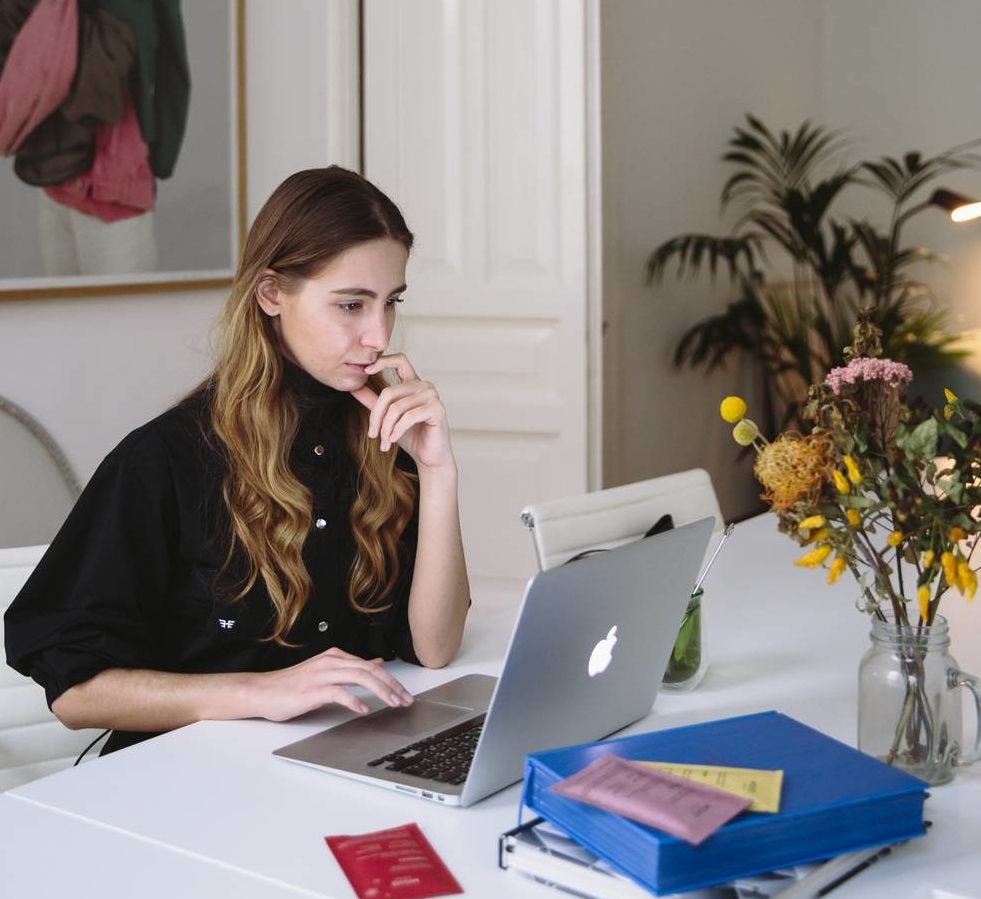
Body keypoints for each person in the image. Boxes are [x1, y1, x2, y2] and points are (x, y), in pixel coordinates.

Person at [4, 166, 471, 755]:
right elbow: (75, 694)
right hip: (185, 783)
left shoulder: (383, 437)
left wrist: (437, 471)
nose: (378, 336)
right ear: (272, 293)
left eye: (390, 303)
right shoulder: (165, 459)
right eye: (351, 305)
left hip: (341, 756)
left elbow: (435, 647)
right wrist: (259, 693)